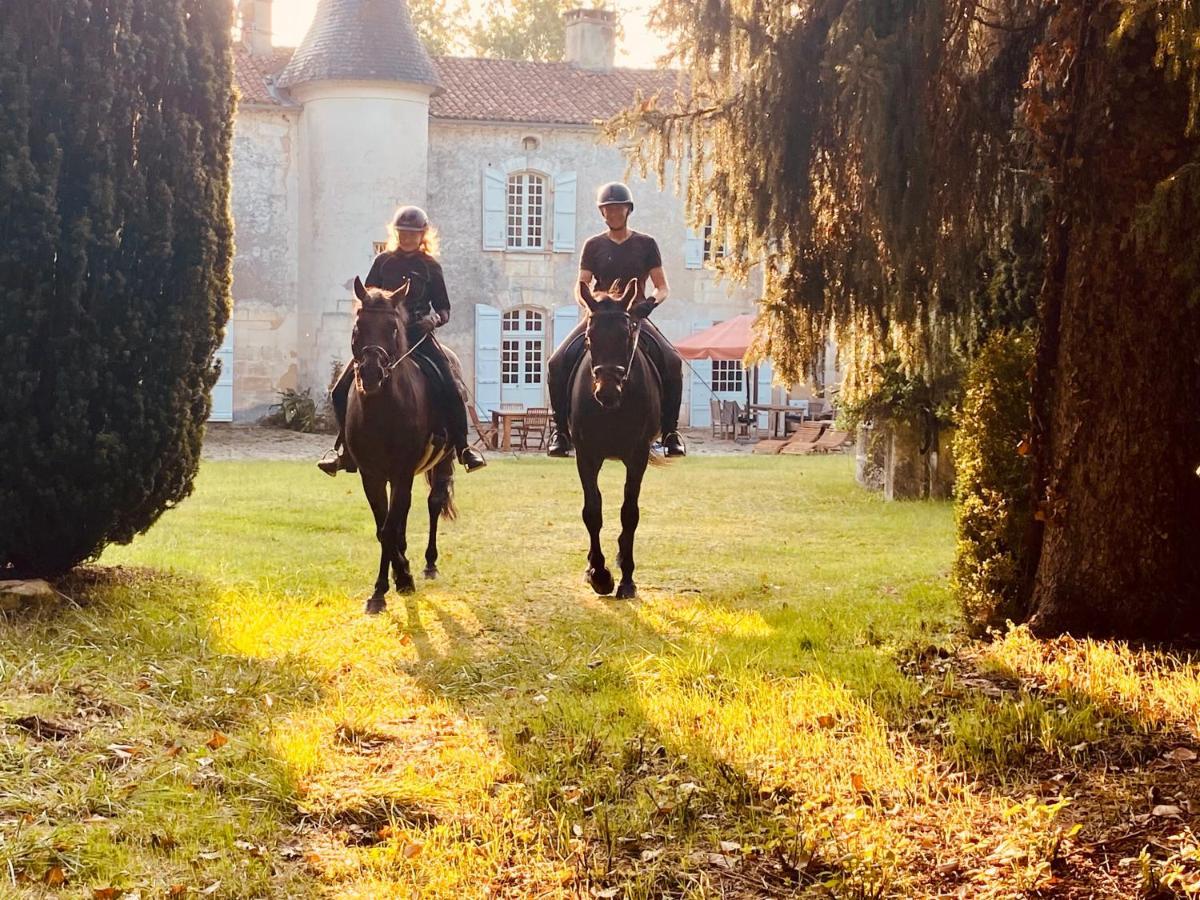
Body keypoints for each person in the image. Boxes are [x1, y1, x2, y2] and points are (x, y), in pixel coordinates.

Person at [318, 206, 487, 475]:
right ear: (396, 233)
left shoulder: (431, 267)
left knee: (451, 387)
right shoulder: (383, 262)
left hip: (418, 337)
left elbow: (444, 309)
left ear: (423, 234)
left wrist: (434, 320)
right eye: (403, 233)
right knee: (339, 390)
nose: (408, 237)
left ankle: (464, 449)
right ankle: (346, 450)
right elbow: (368, 297)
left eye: (413, 233)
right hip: (383, 339)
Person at [545, 182, 686, 458]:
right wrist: (589, 304)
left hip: (633, 317)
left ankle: (670, 432)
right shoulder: (593, 245)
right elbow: (581, 284)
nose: (613, 213)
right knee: (557, 362)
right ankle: (561, 431)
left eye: (618, 208)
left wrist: (650, 304)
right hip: (599, 317)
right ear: (602, 213)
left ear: (628, 210)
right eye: (608, 209)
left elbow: (662, 286)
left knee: (672, 360)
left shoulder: (646, 244)